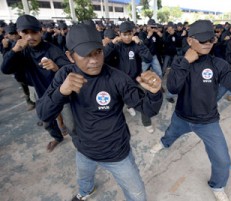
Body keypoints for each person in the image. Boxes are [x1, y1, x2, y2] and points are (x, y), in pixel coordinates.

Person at [35, 23, 163, 201]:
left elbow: (149, 109)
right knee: (84, 178)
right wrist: (61, 92)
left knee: (137, 193)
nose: (94, 60)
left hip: (117, 153)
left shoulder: (117, 78)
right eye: (85, 55)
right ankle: (86, 192)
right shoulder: (66, 75)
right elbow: (43, 114)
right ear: (70, 57)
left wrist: (155, 92)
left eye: (97, 52)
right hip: (84, 149)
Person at [150, 20, 231, 201]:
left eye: (211, 40)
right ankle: (164, 143)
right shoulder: (181, 61)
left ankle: (217, 185)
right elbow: (172, 88)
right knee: (170, 134)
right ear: (190, 41)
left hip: (207, 121)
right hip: (181, 116)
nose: (207, 44)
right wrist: (185, 62)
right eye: (202, 40)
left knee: (223, 160)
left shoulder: (218, 64)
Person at [1, 14, 71, 152]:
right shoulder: (21, 50)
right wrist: (13, 51)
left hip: (60, 92)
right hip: (41, 93)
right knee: (46, 122)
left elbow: (68, 69)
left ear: (40, 32)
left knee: (72, 123)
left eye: (33, 32)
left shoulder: (51, 49)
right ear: (19, 33)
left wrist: (56, 67)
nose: (30, 36)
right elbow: (5, 69)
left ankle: (78, 142)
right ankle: (57, 138)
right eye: (25, 32)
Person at [104, 21, 156, 133]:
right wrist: (112, 43)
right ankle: (128, 107)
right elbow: (103, 57)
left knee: (144, 100)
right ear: (120, 34)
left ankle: (147, 123)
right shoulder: (117, 46)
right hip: (120, 81)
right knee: (114, 104)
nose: (127, 37)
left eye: (129, 34)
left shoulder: (136, 45)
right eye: (124, 34)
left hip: (135, 79)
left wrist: (140, 44)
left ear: (133, 33)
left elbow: (148, 58)